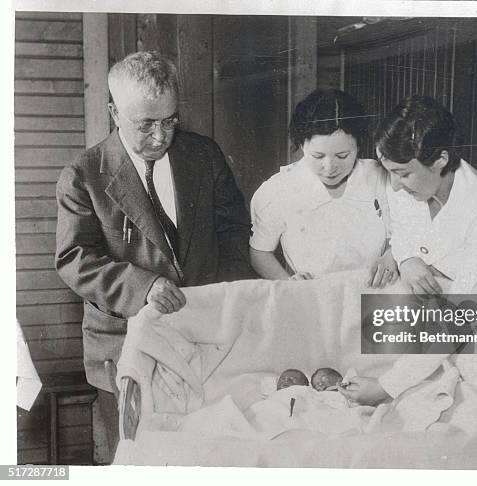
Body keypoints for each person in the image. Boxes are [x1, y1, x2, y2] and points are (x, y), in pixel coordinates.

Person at [55, 51, 253, 455]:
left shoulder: (204, 155)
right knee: (136, 457)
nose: (160, 137)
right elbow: (74, 258)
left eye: (169, 121)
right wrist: (142, 286)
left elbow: (234, 229)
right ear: (114, 112)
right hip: (125, 349)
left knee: (203, 456)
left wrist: (223, 296)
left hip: (206, 341)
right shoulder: (83, 175)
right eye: (145, 124)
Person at [339, 95, 477, 406]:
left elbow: (462, 315)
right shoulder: (407, 182)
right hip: (435, 322)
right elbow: (401, 230)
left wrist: (386, 387)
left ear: (441, 159)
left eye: (402, 173)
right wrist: (408, 258)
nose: (395, 185)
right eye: (389, 172)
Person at [249, 89, 397, 286]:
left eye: (342, 156)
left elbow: (401, 232)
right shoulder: (278, 190)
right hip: (312, 294)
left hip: (373, 289)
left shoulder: (378, 176)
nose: (330, 168)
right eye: (318, 156)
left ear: (358, 146)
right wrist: (288, 283)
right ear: (302, 145)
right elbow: (260, 251)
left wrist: (392, 255)